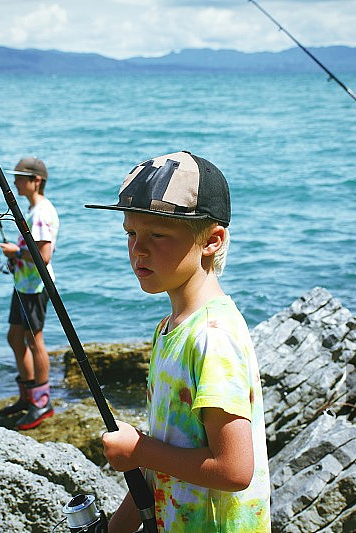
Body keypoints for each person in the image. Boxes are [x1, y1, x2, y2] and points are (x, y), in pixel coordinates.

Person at [85, 151, 271, 532]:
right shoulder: (168, 330)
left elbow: (234, 469)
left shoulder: (213, 337)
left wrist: (139, 449)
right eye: (131, 233)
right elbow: (160, 460)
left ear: (212, 240)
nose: (138, 249)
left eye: (157, 235)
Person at [0, 156, 59, 430]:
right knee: (14, 337)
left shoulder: (42, 213)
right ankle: (27, 395)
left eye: (20, 178)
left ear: (36, 181)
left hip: (36, 287)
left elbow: (43, 256)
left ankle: (42, 403)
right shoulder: (34, 210)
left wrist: (16, 252)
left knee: (35, 342)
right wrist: (17, 257)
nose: (15, 182)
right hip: (23, 284)